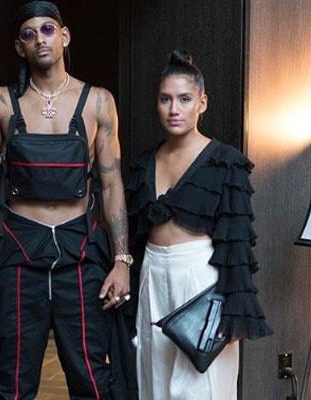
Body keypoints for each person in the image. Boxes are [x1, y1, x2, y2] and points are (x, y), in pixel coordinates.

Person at [0, 2, 136, 399]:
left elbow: (112, 185)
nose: (39, 39)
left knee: (92, 378)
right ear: (19, 47)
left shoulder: (97, 101)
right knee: (13, 381)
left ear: (64, 36)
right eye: (28, 34)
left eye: (47, 29)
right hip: (19, 254)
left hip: (81, 253)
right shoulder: (2, 102)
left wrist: (121, 260)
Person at [126, 49, 273, 400]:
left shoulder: (225, 162)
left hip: (200, 277)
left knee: (202, 388)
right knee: (154, 382)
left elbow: (237, 243)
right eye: (165, 99)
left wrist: (235, 310)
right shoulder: (144, 162)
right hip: (151, 277)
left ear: (202, 103)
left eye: (184, 99)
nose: (173, 109)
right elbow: (135, 238)